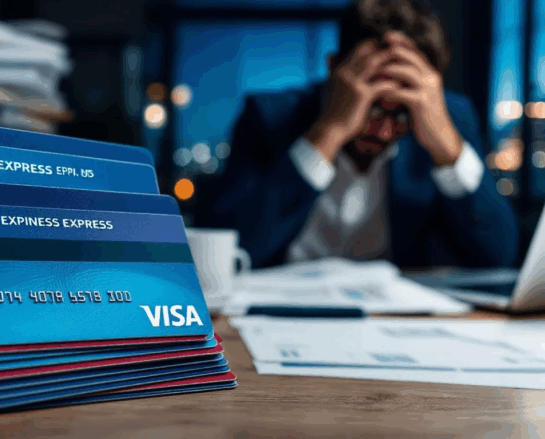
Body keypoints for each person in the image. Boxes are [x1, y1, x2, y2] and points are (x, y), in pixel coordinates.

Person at [194, 0, 519, 269]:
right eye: (373, 108)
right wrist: (329, 132)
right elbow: (228, 254)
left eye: (402, 113)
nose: (384, 129)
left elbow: (498, 257)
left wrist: (448, 148)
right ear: (335, 70)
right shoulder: (269, 116)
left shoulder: (450, 119)